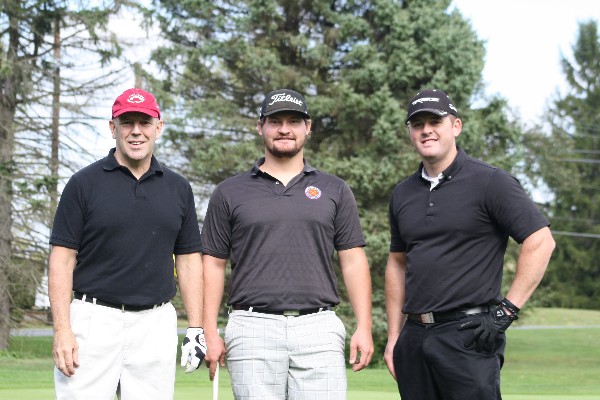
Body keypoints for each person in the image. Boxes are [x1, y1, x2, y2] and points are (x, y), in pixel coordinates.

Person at [383, 88, 556, 400]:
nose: (426, 130)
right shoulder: (403, 193)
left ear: (456, 126)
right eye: (417, 123)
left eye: (435, 121)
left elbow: (541, 241)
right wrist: (394, 336)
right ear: (410, 131)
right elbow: (398, 262)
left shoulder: (490, 182)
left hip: (468, 337)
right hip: (414, 337)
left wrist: (506, 311)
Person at [201, 88, 374, 399]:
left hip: (318, 327)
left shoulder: (334, 189)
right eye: (275, 121)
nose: (284, 129)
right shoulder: (229, 192)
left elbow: (353, 259)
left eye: (294, 121)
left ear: (308, 128)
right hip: (252, 327)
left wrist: (364, 326)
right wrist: (209, 330)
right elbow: (212, 264)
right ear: (260, 127)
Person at [48, 88, 206, 400]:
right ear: (113, 128)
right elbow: (62, 259)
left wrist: (196, 328)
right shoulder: (83, 184)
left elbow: (189, 261)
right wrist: (62, 330)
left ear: (158, 127)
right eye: (127, 122)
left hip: (156, 323)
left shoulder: (178, 188)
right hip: (93, 321)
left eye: (144, 123)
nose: (136, 131)